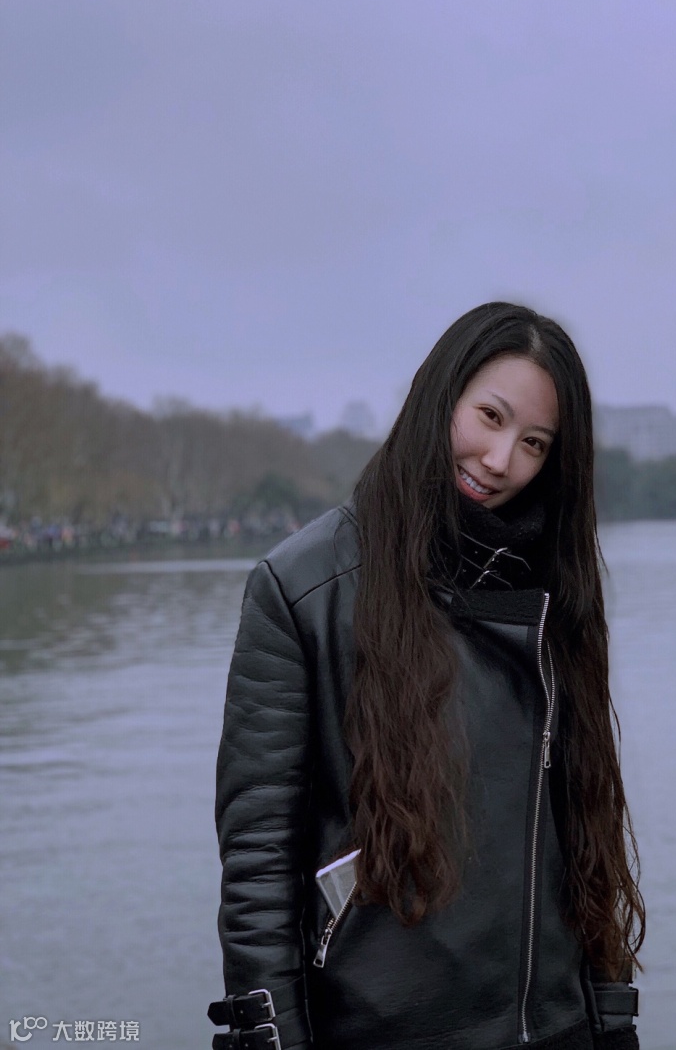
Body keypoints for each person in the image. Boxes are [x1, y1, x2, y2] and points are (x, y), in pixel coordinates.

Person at [209, 302, 645, 1050]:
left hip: (557, 1027)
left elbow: (587, 828)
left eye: (534, 443)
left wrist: (611, 1014)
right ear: (441, 395)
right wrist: (272, 1032)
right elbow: (259, 859)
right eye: (490, 417)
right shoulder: (303, 588)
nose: (500, 459)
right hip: (380, 1028)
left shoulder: (552, 586)